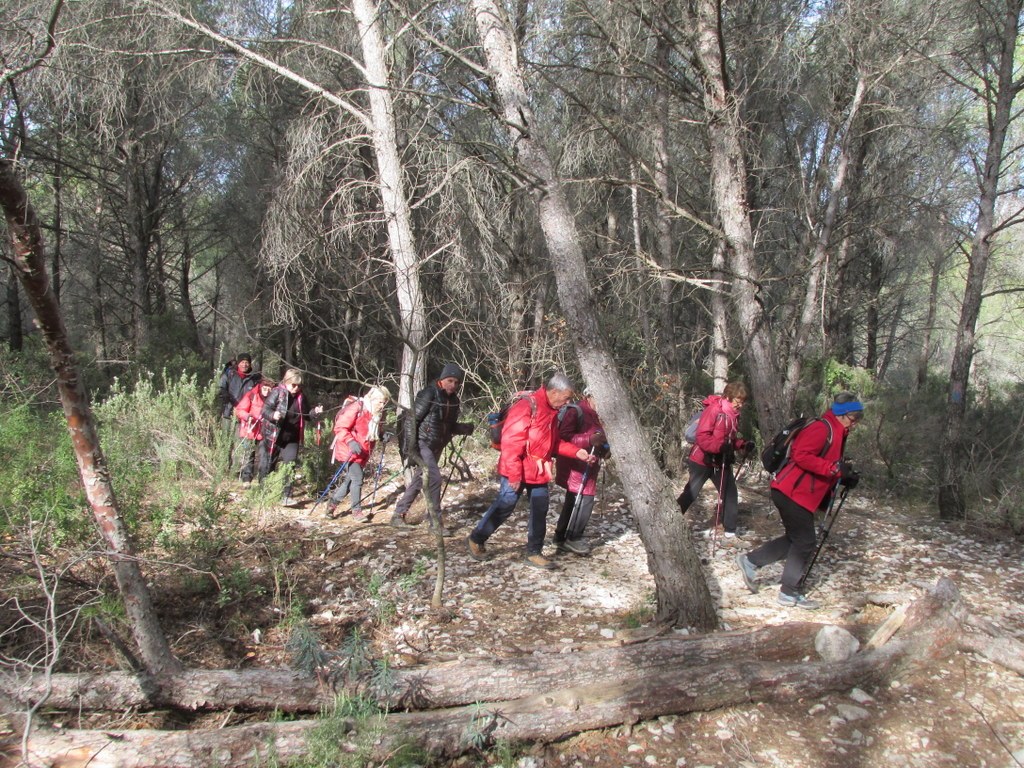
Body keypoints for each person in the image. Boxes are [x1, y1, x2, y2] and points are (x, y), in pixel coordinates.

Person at [735, 392, 864, 610]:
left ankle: (750, 561)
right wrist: (832, 469)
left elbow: (825, 463)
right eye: (854, 419)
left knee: (796, 539)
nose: (855, 424)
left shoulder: (837, 431)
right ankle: (788, 592)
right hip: (791, 492)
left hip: (797, 493)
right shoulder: (822, 428)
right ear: (843, 415)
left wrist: (844, 477)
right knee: (805, 541)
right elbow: (801, 455)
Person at [467, 372, 595, 570]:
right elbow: (511, 443)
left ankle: (534, 552)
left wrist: (577, 452)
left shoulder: (552, 411)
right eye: (566, 397)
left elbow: (553, 443)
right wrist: (514, 475)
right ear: (554, 392)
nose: (568, 402)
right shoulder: (527, 406)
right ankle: (477, 538)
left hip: (538, 470)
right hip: (516, 468)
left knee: (540, 509)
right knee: (506, 504)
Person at [392, 363, 475, 530]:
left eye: (456, 382)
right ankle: (435, 523)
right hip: (423, 443)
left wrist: (463, 428)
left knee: (418, 481)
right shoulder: (429, 393)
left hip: (437, 445)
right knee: (434, 479)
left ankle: (398, 515)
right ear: (442, 380)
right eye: (450, 380)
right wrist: (411, 447)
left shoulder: (454, 401)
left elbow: (448, 426)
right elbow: (411, 420)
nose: (453, 385)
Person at [676, 381, 753, 539]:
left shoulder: (733, 415)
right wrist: (719, 447)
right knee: (691, 493)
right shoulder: (714, 410)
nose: (741, 405)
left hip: (721, 460)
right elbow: (702, 437)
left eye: (743, 402)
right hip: (702, 460)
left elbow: (729, 439)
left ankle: (730, 532)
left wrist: (742, 444)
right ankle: (670, 521)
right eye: (738, 401)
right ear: (729, 397)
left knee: (730, 493)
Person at [552, 390, 609, 555]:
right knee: (586, 500)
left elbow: (599, 438)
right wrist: (589, 440)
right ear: (588, 396)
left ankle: (560, 537)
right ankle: (574, 538)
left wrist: (604, 450)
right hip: (575, 463)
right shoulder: (576, 411)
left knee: (573, 500)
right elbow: (564, 437)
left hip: (589, 463)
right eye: (598, 397)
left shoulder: (598, 414)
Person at [258, 368, 324, 506]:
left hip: (292, 436)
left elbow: (307, 415)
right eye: (293, 385)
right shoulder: (277, 392)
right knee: (268, 464)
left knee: (290, 465)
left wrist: (315, 412)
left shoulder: (301, 397)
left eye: (299, 385)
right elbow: (265, 410)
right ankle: (263, 492)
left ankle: (286, 496)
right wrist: (273, 415)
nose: (296, 388)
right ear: (286, 382)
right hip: (274, 435)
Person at [326, 386, 391, 521]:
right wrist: (350, 441)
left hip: (362, 452)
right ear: (372, 399)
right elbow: (340, 427)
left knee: (350, 482)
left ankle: (332, 504)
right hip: (348, 450)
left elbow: (373, 430)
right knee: (357, 478)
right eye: (380, 402)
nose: (382, 405)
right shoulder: (357, 408)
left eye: (385, 402)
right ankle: (357, 512)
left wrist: (382, 435)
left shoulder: (378, 413)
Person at [233, 375, 274, 484]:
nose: (266, 392)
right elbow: (239, 410)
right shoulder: (251, 395)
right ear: (260, 387)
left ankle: (263, 479)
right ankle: (246, 479)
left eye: (269, 389)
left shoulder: (274, 398)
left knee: (264, 455)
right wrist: (247, 417)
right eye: (265, 389)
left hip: (264, 431)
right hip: (250, 429)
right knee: (248, 454)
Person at [219, 353, 260, 422]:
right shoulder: (229, 374)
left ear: (250, 364)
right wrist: (225, 395)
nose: (244, 365)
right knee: (225, 432)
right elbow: (221, 387)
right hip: (228, 413)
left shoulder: (254, 379)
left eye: (246, 362)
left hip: (244, 416)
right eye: (242, 362)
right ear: (238, 363)